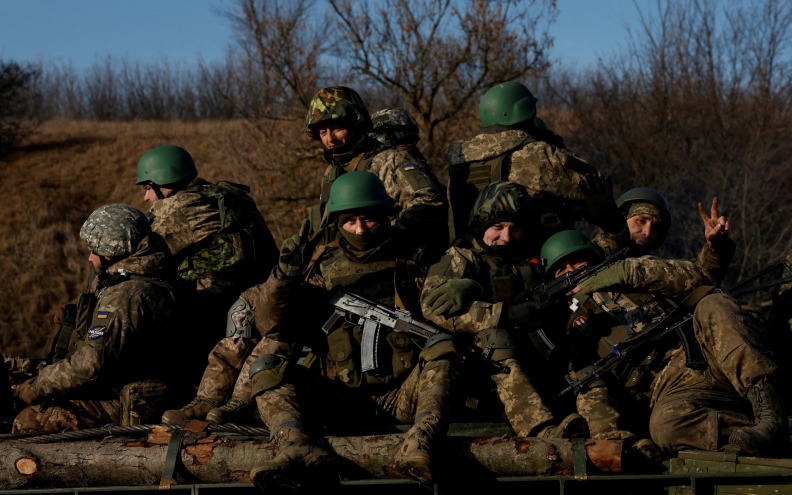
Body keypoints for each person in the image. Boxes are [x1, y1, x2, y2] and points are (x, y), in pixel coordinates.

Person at [243, 171, 459, 490]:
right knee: (267, 368)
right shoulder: (320, 271)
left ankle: (421, 441)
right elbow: (270, 323)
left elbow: (447, 316)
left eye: (369, 219)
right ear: (337, 222)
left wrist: (462, 287)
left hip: (403, 396)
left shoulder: (414, 264)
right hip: (339, 398)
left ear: (385, 217)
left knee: (443, 348)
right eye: (351, 221)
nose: (360, 229)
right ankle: (295, 445)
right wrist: (284, 275)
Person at [542, 230, 787, 463]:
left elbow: (695, 277)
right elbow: (591, 392)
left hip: (711, 353)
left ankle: (770, 416)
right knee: (665, 428)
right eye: (561, 270)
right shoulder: (571, 331)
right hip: (672, 390)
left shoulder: (630, 274)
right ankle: (754, 432)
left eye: (577, 263)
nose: (571, 272)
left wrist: (625, 273)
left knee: (713, 303)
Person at [420, 181, 586, 438]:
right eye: (497, 227)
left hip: (538, 362)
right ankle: (541, 431)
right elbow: (433, 307)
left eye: (515, 228)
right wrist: (501, 315)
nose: (506, 237)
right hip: (480, 370)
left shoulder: (534, 257)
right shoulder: (460, 257)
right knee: (495, 337)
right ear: (481, 225)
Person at [136, 145, 279, 421]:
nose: (145, 197)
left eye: (148, 188)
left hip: (209, 311)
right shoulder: (233, 197)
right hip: (256, 303)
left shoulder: (177, 208)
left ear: (164, 185)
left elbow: (141, 259)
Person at [12, 204, 178, 432]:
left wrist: (36, 387)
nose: (90, 258)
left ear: (111, 252)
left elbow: (91, 365)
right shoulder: (145, 271)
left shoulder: (125, 295)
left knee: (28, 422)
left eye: (94, 250)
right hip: (120, 382)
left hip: (121, 397)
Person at [445, 81, 624, 241]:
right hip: (531, 261)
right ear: (526, 113)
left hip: (469, 258)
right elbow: (594, 181)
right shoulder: (535, 153)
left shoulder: (460, 161)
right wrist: (556, 148)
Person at [304, 87, 447, 254]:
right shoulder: (332, 172)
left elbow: (428, 202)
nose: (330, 139)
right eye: (323, 132)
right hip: (340, 268)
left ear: (355, 124)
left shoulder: (388, 160)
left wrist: (385, 236)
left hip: (390, 263)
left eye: (337, 129)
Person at [594, 187, 735, 285]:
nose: (647, 232)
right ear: (622, 219)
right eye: (641, 221)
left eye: (655, 227)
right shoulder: (587, 258)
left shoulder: (659, 273)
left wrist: (714, 248)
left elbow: (703, 282)